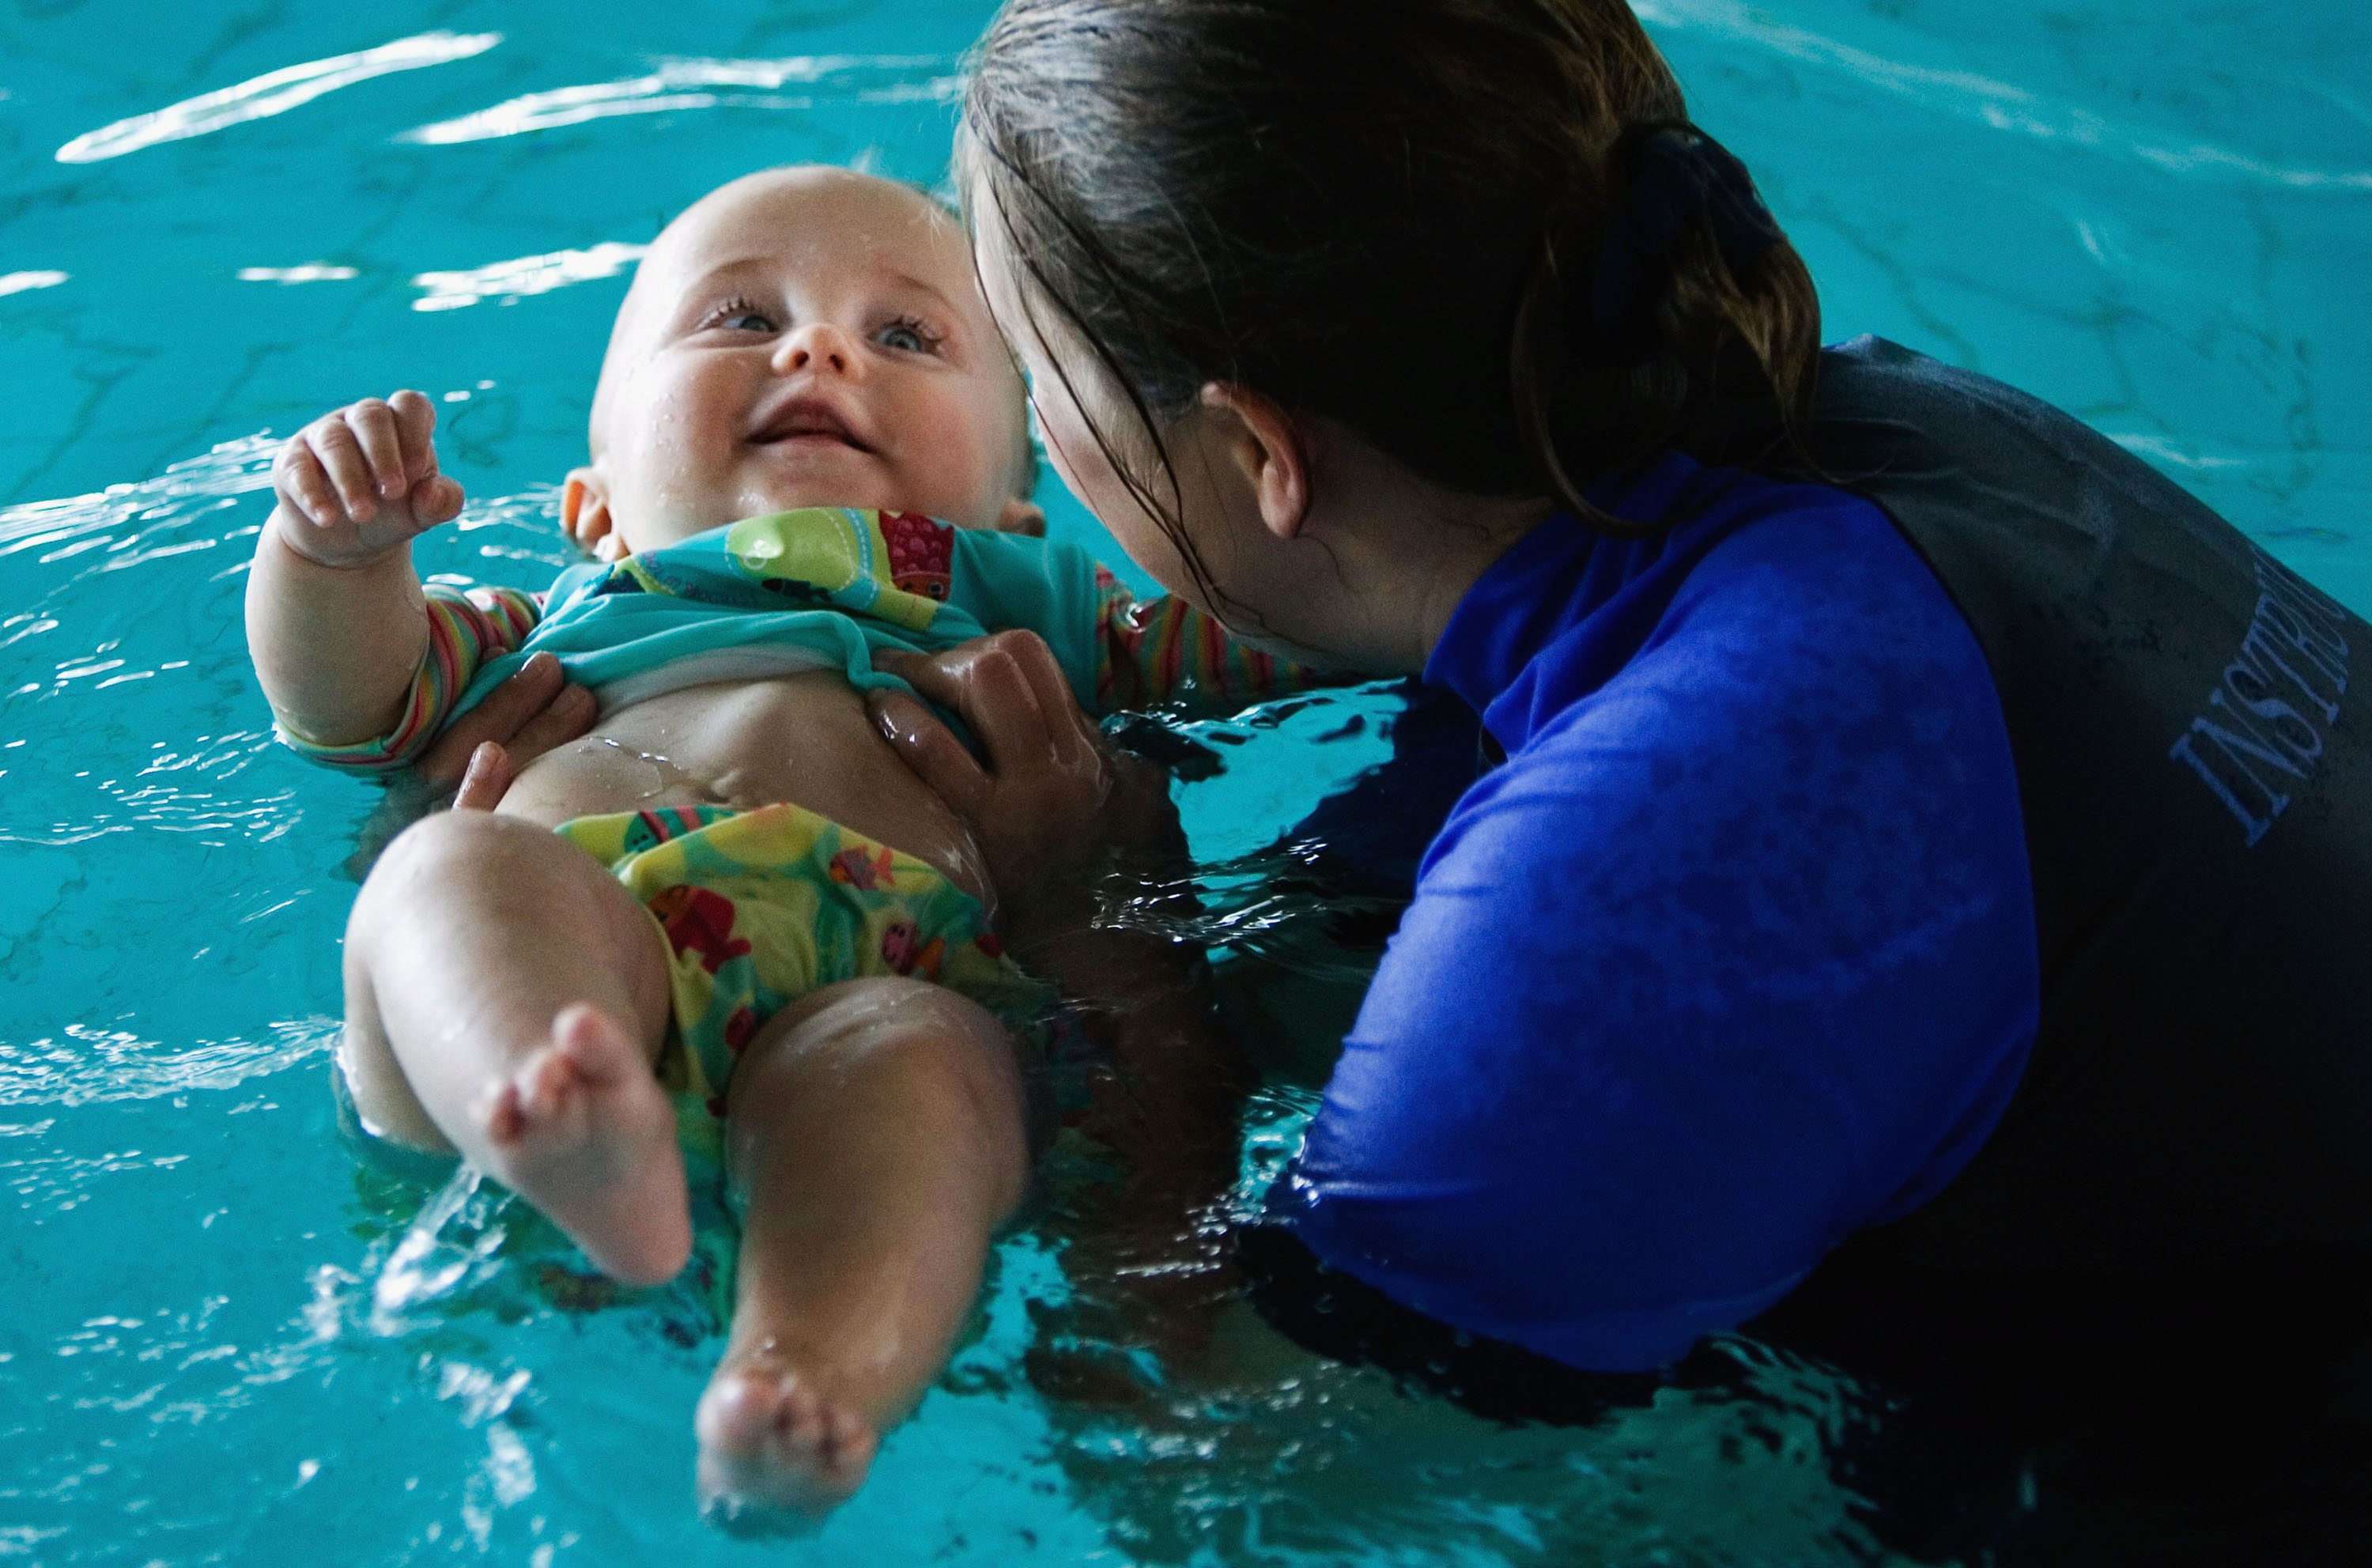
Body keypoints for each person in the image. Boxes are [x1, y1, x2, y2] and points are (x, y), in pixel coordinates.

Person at [858, 0, 2372, 1381]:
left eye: (1038, 382)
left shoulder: (1660, 856)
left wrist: (1106, 950)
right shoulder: (1891, 422)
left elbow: (1214, 1464)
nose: (1042, 447)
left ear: (1263, 455)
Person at [244, 165, 1303, 1520]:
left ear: (1015, 504)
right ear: (596, 503)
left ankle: (807, 1378)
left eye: (908, 337)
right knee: (448, 870)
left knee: (921, 1058)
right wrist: (335, 560)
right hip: (590, 934)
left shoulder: (1036, 607)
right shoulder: (569, 617)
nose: (817, 348)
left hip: (885, 973)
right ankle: (552, 1099)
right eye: (740, 318)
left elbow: (1293, 633)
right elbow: (344, 707)